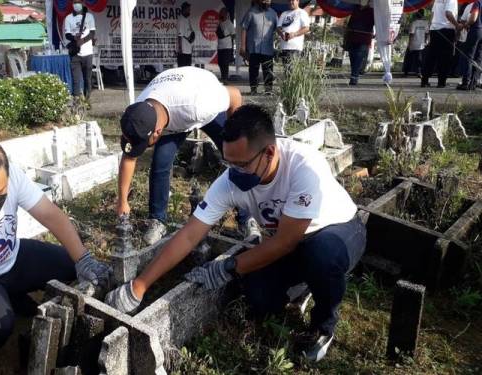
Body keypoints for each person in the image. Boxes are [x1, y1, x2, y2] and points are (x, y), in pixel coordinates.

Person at [106, 104, 366, 362]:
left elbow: (286, 242)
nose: (235, 172)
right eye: (229, 162)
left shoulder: (302, 167)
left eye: (242, 164)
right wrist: (139, 286)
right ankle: (304, 286)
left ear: (269, 152)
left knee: (321, 257)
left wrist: (229, 266)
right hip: (290, 245)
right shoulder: (231, 180)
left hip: (338, 232)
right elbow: (189, 235)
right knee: (257, 296)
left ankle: (323, 325)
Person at [0, 139, 112, 374]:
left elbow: (50, 214)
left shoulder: (12, 175)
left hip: (12, 258)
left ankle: (11, 295)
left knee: (71, 264)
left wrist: (83, 259)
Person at [115, 67, 259, 246]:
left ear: (158, 131)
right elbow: (129, 157)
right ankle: (157, 220)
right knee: (160, 162)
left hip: (198, 97)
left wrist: (234, 136)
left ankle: (246, 218)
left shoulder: (201, 105)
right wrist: (122, 201)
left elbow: (235, 95)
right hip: (173, 109)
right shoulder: (139, 113)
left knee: (237, 160)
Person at [241, 0, 278, 95]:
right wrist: (243, 46)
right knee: (253, 70)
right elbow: (244, 28)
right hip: (253, 48)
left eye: (269, 0)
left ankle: (268, 91)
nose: (267, 2)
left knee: (268, 71)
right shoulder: (251, 12)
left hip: (268, 48)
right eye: (265, 0)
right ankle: (253, 90)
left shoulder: (273, 14)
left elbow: (278, 29)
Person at [421, 0, 460, 88]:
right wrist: (457, 25)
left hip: (434, 29)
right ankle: (441, 82)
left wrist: (430, 28)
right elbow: (448, 13)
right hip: (446, 29)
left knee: (431, 56)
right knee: (445, 58)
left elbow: (432, 14)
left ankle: (425, 80)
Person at [65, 0, 96, 98]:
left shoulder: (89, 16)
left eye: (78, 1)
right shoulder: (68, 18)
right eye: (74, 2)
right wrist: (74, 38)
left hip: (87, 53)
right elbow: (67, 34)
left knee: (87, 78)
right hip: (75, 54)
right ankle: (76, 101)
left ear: (82, 3)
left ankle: (87, 100)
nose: (76, 4)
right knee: (76, 79)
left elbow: (92, 33)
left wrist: (83, 40)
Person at [344, 4, 375, 85]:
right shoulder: (355, 8)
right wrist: (346, 35)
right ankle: (354, 74)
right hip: (352, 36)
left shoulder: (372, 11)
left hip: (364, 37)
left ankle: (354, 77)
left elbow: (376, 22)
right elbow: (350, 23)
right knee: (352, 57)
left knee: (359, 57)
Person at [457, 0, 482, 90]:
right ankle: (474, 82)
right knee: (479, 58)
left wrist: (465, 25)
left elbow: (473, 18)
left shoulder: (477, 3)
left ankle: (465, 82)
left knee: (468, 56)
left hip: (475, 30)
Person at [276, 0, 310, 65]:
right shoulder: (284, 13)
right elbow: (278, 27)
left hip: (295, 48)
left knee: (292, 71)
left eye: (292, 0)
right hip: (284, 47)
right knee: (286, 70)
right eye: (289, 1)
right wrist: (281, 33)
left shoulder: (302, 12)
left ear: (298, 1)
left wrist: (295, 34)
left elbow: (306, 28)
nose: (290, 2)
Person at [403, 9, 429, 77]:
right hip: (421, 44)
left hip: (414, 43)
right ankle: (419, 72)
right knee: (419, 59)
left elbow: (411, 34)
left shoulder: (414, 23)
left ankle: (406, 72)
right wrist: (425, 41)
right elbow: (427, 33)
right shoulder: (426, 23)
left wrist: (409, 44)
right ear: (423, 15)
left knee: (409, 58)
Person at [216, 7, 236, 83]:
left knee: (225, 63)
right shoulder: (220, 22)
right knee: (220, 62)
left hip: (227, 47)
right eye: (221, 12)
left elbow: (234, 35)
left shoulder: (229, 23)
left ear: (226, 14)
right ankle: (222, 76)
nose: (221, 14)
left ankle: (225, 77)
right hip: (220, 46)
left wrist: (227, 35)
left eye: (222, 12)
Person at [176, 2, 194, 67]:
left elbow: (191, 33)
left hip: (188, 49)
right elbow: (179, 35)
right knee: (182, 69)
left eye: (189, 9)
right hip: (183, 50)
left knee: (188, 68)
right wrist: (180, 48)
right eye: (188, 9)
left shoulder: (188, 19)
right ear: (184, 9)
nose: (189, 11)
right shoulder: (180, 19)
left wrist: (191, 46)